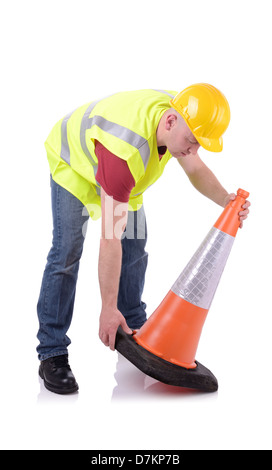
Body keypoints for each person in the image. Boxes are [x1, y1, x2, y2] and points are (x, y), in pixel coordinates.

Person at [37, 84, 250, 394]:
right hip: (74, 162)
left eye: (199, 144)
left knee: (135, 247)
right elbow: (110, 239)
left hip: (123, 179)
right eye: (192, 142)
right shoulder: (125, 152)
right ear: (170, 122)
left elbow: (194, 167)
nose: (193, 150)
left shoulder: (180, 115)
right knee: (66, 253)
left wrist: (226, 200)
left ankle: (135, 328)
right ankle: (52, 352)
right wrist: (106, 308)